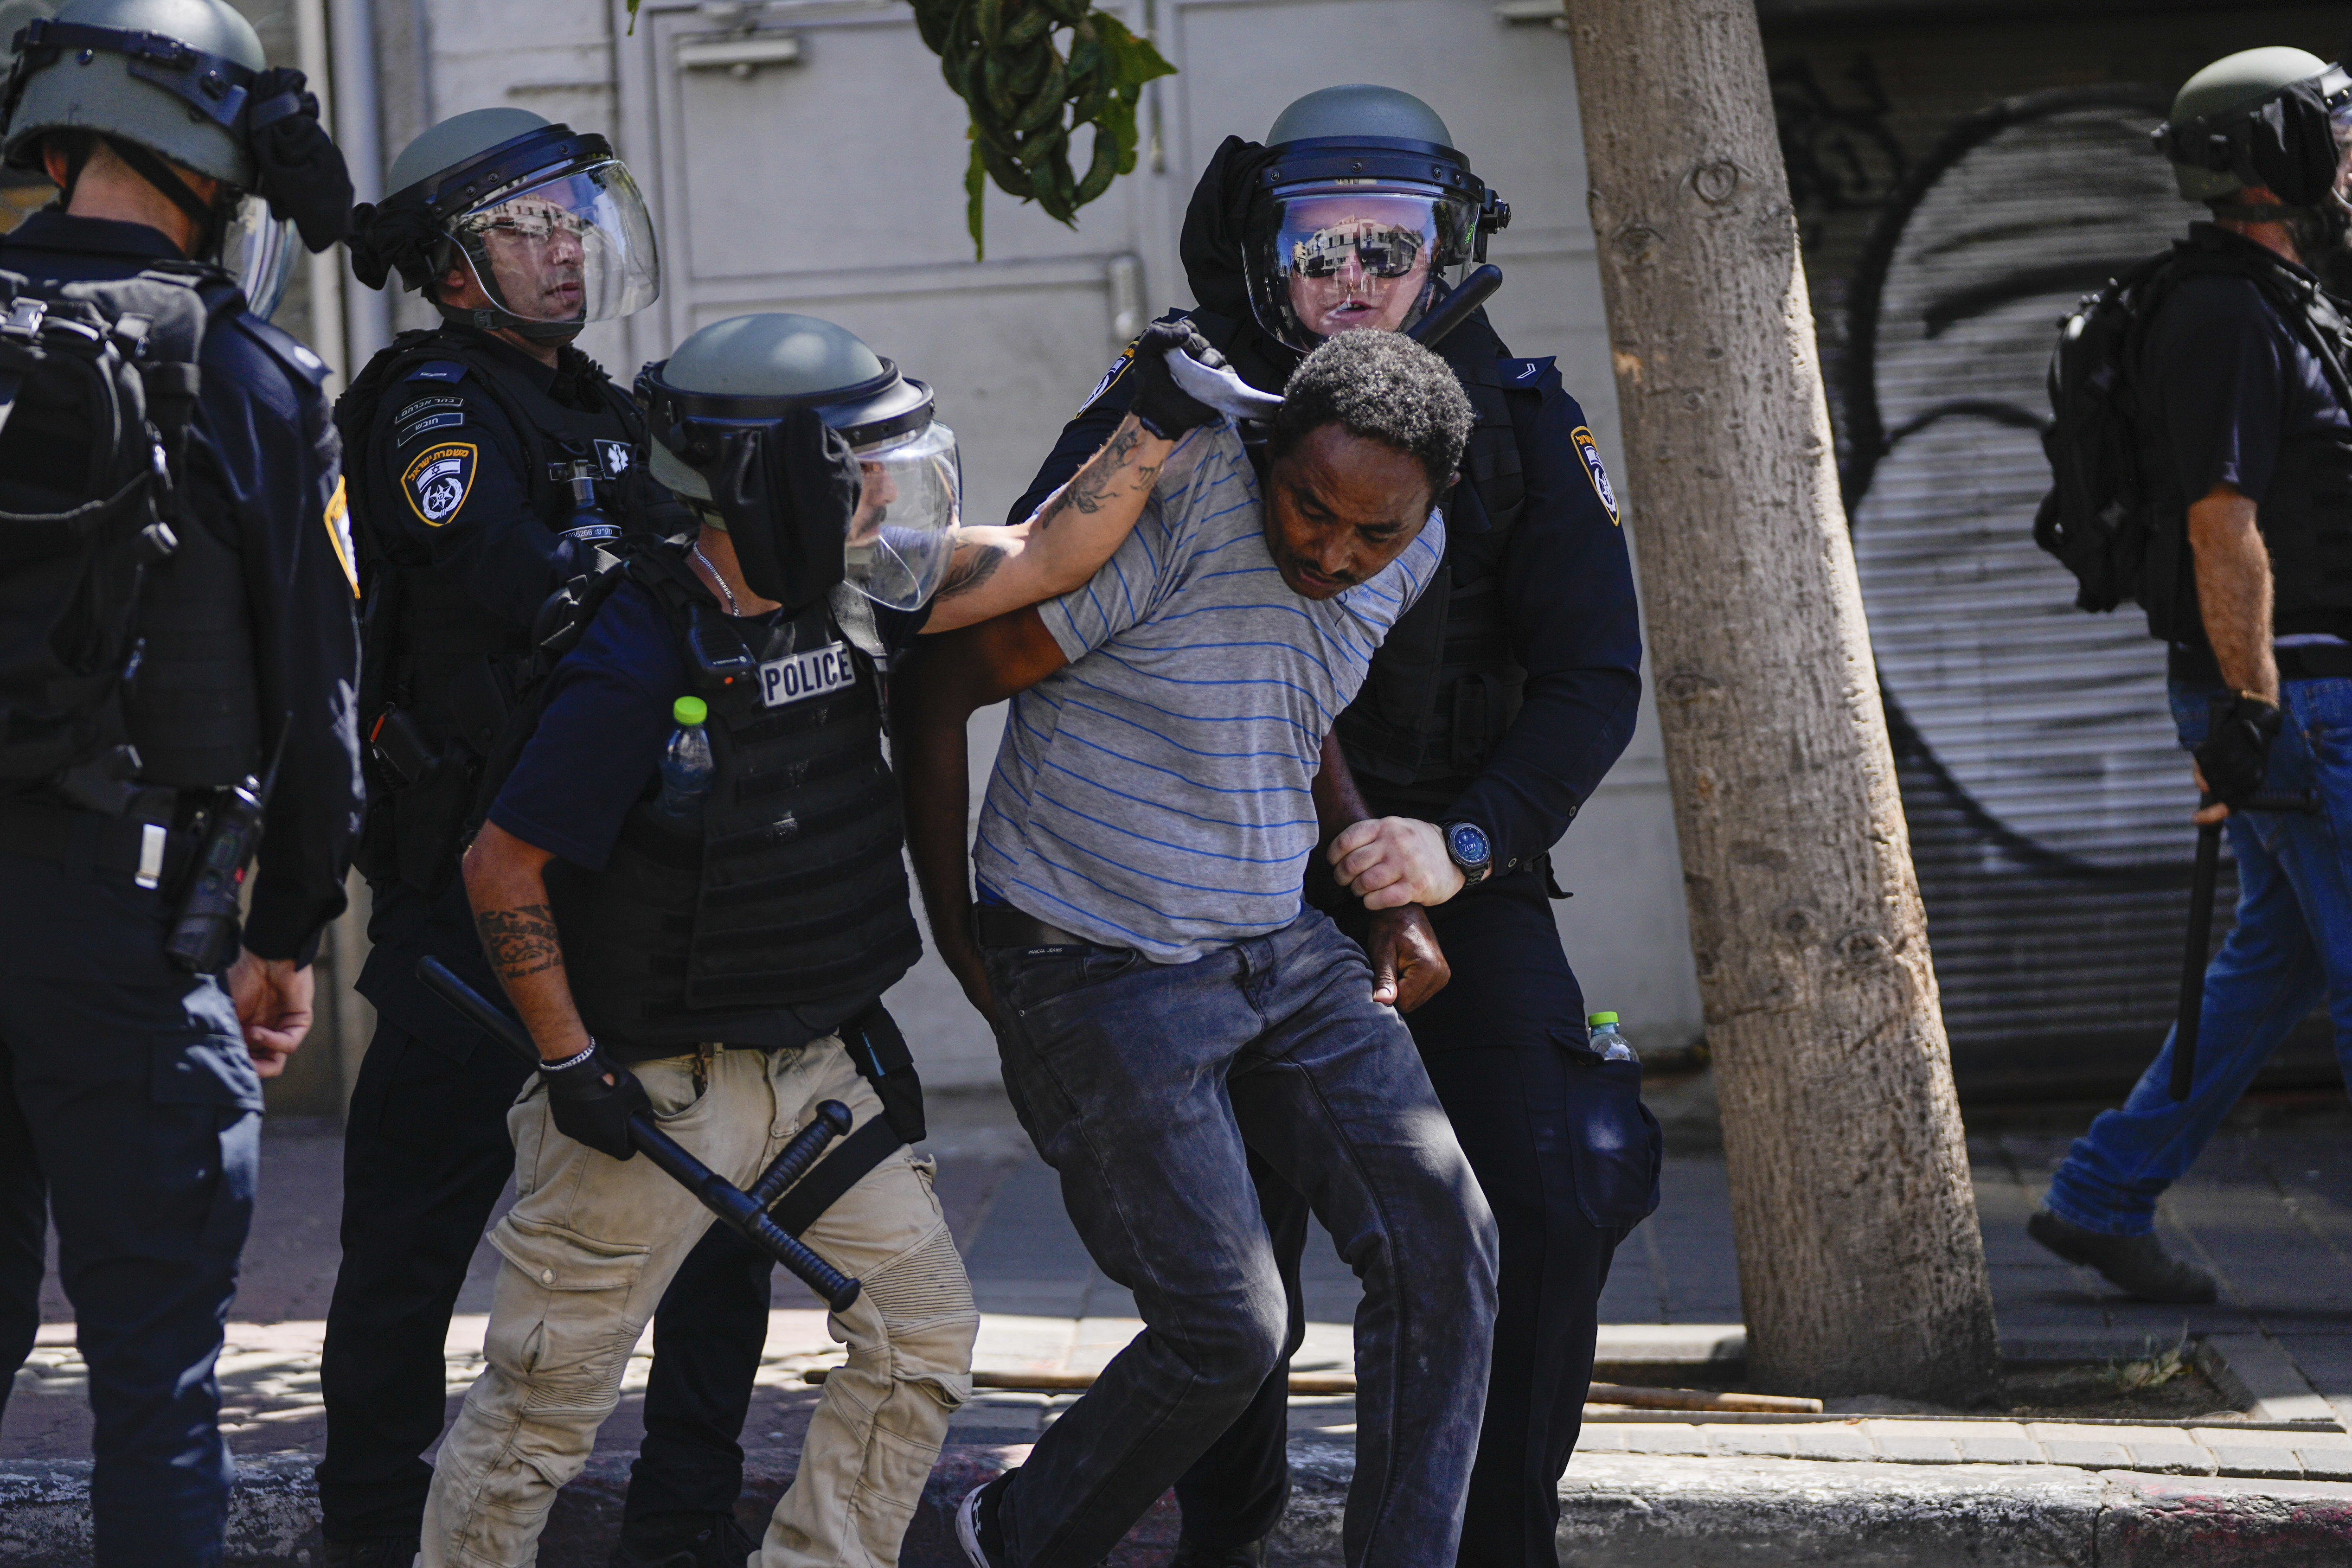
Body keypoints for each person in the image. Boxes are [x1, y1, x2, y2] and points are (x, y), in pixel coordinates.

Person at [419, 308, 1198, 1568]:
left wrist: (1160, 405)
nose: (886, 490)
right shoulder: (634, 650)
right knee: (535, 1421)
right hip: (654, 1095)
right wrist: (568, 1066)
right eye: (858, 464)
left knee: (920, 1342)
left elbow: (1051, 555)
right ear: (766, 484)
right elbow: (501, 867)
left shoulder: (855, 593)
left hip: (815, 1078)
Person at [1006, 85, 1656, 1567]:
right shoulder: (1191, 394)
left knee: (1551, 1195)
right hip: (1215, 895)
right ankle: (1225, 1542)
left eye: (1391, 249)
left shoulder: (1514, 417)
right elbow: (1032, 569)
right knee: (1242, 1278)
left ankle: (1489, 1543)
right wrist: (1157, 420)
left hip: (1448, 876)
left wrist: (1466, 846)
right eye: (1319, 253)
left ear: (1454, 250)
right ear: (1264, 255)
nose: (1355, 285)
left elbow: (1593, 678)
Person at [898, 327, 1498, 1568]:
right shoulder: (1183, 509)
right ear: (1271, 455)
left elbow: (1295, 691)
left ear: (1427, 509)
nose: (1334, 551)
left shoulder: (1412, 544)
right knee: (1229, 1329)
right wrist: (963, 938)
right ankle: (998, 1542)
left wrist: (1383, 895)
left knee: (1448, 1239)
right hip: (1092, 962)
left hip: (1269, 940)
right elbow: (942, 679)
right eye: (1310, 508)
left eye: (1370, 533)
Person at [317, 106, 786, 1568]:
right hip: (474, 893)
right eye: (525, 224)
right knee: (408, 1240)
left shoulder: (603, 402)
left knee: (720, 1216)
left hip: (630, 888)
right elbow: (523, 575)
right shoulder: (428, 407)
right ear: (454, 266)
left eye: (571, 216)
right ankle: (374, 1531)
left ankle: (686, 1516)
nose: (563, 244)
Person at [0, 1, 359, 1563]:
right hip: (128, 930)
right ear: (220, 171)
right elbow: (323, 718)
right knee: (154, 1380)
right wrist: (280, 938)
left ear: (56, 137)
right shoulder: (256, 376)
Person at [2031, 49, 2352, 1303]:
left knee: (2273, 965)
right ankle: (2101, 1195)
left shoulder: (2285, 299)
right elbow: (2224, 525)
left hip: (2300, 690)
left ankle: (2100, 1197)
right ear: (2269, 151)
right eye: (2335, 128)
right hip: (2300, 696)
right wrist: (2252, 710)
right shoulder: (2220, 314)